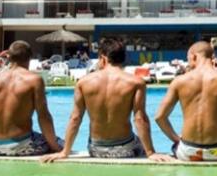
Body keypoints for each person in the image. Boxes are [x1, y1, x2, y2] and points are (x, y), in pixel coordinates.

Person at [42, 38, 170, 162]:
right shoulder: (135, 82)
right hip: (126, 148)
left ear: (103, 58)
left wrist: (65, 152)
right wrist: (150, 152)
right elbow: (139, 119)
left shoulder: (83, 83)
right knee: (138, 143)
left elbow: (75, 118)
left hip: (96, 149)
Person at [155, 41, 217, 162]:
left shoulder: (179, 81)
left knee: (179, 145)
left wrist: (176, 139)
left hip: (187, 152)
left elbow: (160, 117)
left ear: (194, 56)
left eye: (188, 58)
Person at [0, 41, 62, 157]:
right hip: (21, 146)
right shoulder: (34, 80)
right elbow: (44, 117)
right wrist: (55, 147)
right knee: (61, 143)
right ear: (29, 58)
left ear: (9, 57)